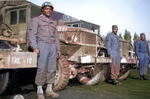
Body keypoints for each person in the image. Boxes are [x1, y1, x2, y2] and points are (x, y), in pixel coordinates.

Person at [27, 2, 61, 99]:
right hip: (41, 45)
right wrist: (34, 47)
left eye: (50, 9)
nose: (48, 10)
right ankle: (39, 90)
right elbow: (32, 34)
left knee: (52, 68)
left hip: (52, 47)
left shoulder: (53, 22)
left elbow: (56, 37)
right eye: (46, 8)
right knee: (41, 68)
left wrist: (58, 49)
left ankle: (49, 90)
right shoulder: (36, 20)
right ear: (42, 9)